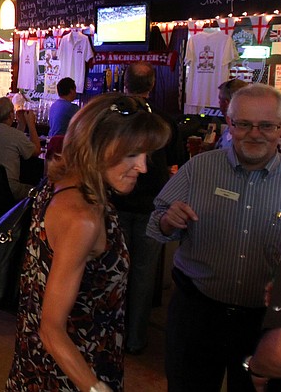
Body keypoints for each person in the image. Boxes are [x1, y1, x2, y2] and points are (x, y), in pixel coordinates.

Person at [6, 93, 170, 392]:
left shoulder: (65, 185)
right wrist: (94, 387)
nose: (143, 167)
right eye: (132, 154)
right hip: (68, 371)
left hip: (42, 362)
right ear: (96, 147)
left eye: (146, 155)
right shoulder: (83, 217)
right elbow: (52, 329)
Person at [147, 83, 281, 392]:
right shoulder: (199, 169)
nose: (254, 133)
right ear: (229, 124)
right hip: (198, 314)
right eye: (244, 124)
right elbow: (156, 224)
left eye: (266, 125)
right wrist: (168, 221)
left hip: (263, 323)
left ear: (280, 128)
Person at [109, 62, 181, 355]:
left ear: (124, 83)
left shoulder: (112, 119)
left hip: (116, 205)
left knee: (114, 271)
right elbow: (175, 167)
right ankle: (135, 340)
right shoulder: (164, 121)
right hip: (152, 208)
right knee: (143, 274)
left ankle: (110, 335)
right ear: (152, 86)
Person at [0, 96, 42, 201]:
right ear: (10, 115)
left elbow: (14, 140)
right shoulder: (14, 135)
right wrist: (31, 124)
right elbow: (37, 150)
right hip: (7, 190)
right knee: (40, 193)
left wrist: (21, 124)